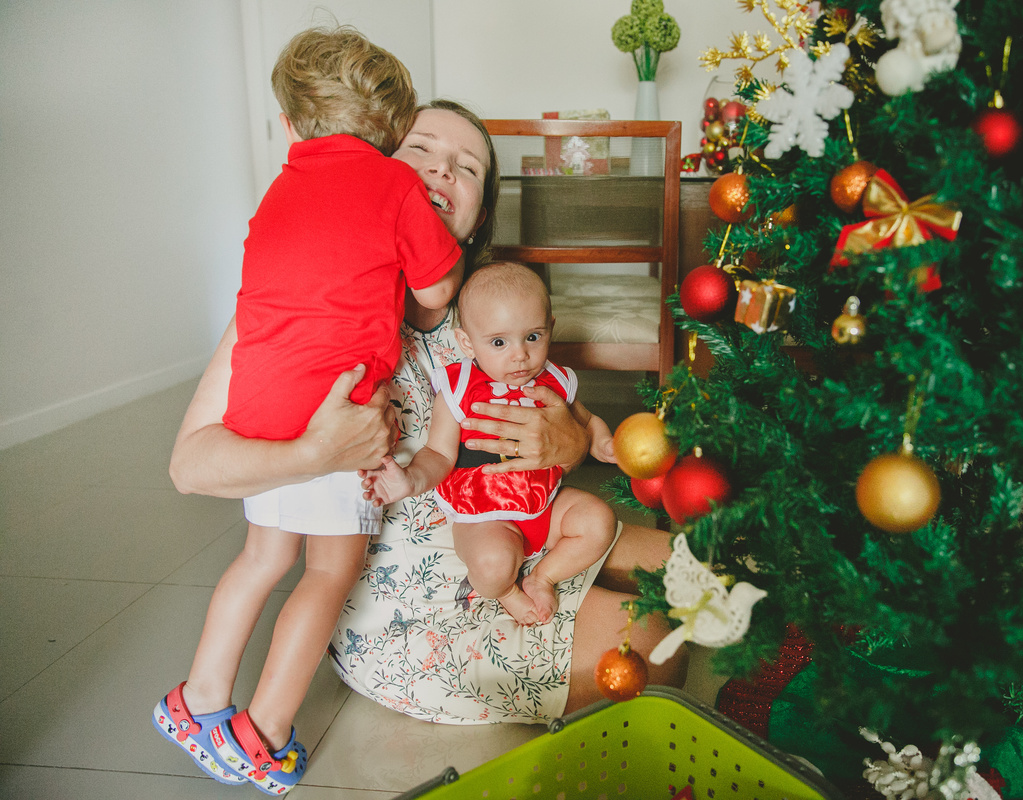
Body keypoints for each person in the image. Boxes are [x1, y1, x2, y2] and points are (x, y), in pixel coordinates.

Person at [168, 101, 688, 735]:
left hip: (524, 531)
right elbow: (190, 467)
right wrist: (311, 451)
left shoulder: (493, 316)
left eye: (466, 167)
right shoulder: (303, 302)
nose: (442, 172)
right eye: (421, 150)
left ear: (476, 218)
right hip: (417, 608)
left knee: (693, 567)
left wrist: (573, 440)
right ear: (374, 172)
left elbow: (558, 417)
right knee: (656, 645)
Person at [153, 28, 462, 795]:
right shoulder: (395, 187)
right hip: (339, 413)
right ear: (392, 133)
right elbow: (435, 295)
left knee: (262, 559)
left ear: (291, 123)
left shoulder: (278, 189)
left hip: (259, 412)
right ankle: (267, 731)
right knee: (329, 571)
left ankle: (195, 702)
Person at [360, 262, 618, 626]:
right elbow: (438, 453)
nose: (519, 354)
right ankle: (508, 592)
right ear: (467, 342)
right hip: (484, 518)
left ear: (551, 330)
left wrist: (604, 444)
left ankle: (542, 575)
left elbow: (587, 423)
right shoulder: (459, 386)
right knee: (491, 564)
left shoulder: (556, 380)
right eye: (499, 342)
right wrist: (411, 480)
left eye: (533, 337)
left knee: (598, 521)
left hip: (546, 505)